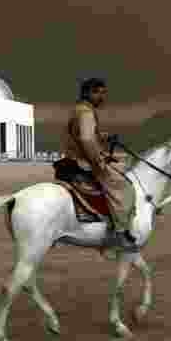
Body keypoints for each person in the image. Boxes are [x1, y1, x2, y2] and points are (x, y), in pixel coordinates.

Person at [60, 77, 139, 252]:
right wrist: (99, 162)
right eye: (99, 93)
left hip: (76, 159)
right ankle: (120, 233)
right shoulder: (86, 112)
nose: (103, 97)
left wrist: (104, 137)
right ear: (88, 93)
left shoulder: (80, 110)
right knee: (123, 186)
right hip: (83, 162)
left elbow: (89, 135)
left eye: (104, 93)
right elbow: (87, 139)